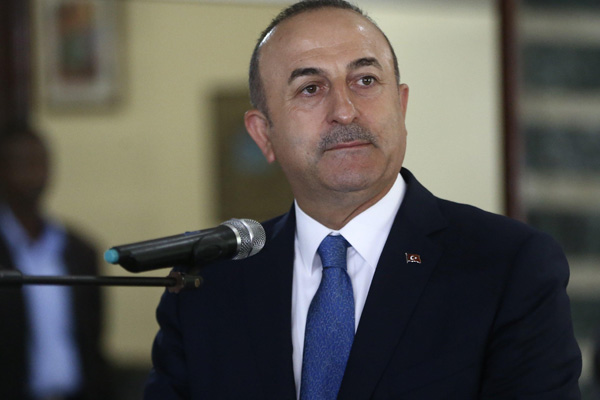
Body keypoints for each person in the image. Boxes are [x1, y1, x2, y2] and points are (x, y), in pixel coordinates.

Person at [144, 1, 582, 398]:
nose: (345, 110)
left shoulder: (509, 264)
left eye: (366, 80)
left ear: (401, 106)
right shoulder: (207, 283)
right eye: (311, 88)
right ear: (263, 134)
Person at [0, 126, 112, 400]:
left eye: (39, 162)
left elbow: (93, 337)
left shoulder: (80, 250)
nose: (32, 173)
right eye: (20, 163)